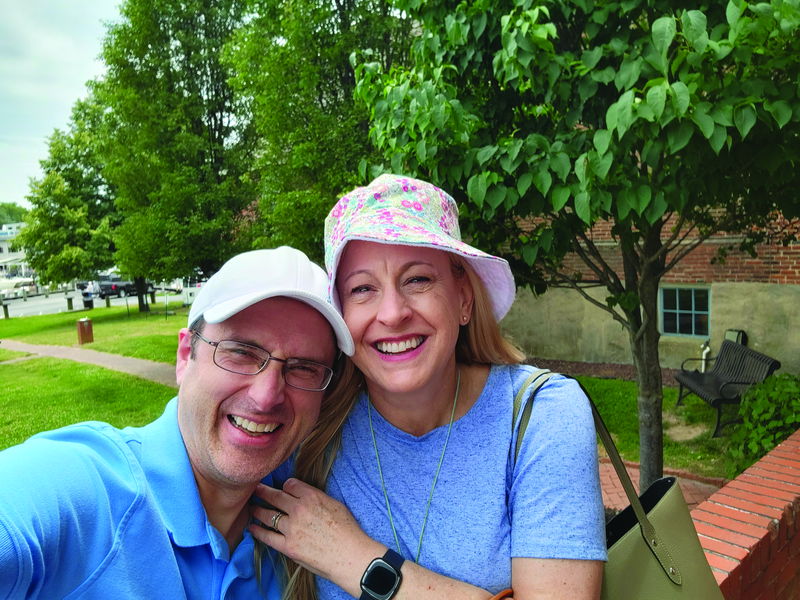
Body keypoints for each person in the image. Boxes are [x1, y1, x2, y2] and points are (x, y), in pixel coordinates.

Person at [249, 175, 607, 600]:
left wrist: (355, 559)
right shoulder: (312, 425)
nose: (393, 313)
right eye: (362, 289)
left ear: (463, 299)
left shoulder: (539, 415)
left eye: (418, 280)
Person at [0, 246, 354, 599]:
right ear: (185, 356)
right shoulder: (87, 491)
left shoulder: (305, 524)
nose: (266, 396)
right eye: (241, 352)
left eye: (304, 368)